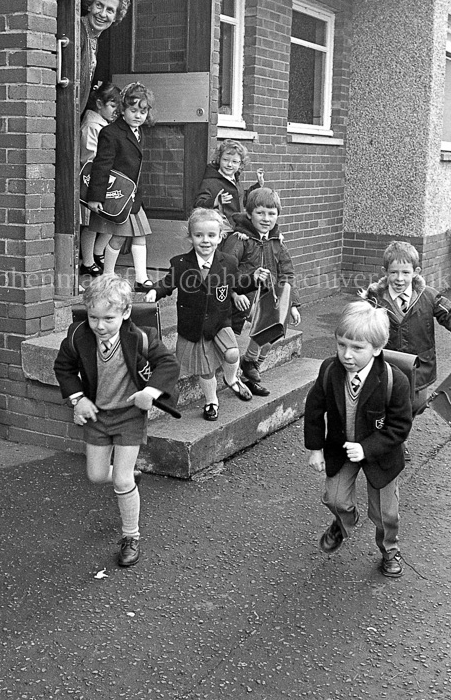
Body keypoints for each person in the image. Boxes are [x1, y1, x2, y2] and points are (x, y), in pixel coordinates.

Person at [53, 275, 180, 568]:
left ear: (125, 313)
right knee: (97, 476)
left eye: (108, 318)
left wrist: (150, 391)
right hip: (97, 414)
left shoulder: (141, 336)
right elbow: (64, 367)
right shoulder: (78, 336)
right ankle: (131, 479)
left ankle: (131, 537)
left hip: (129, 416)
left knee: (119, 480)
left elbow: (168, 364)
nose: (100, 325)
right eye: (94, 317)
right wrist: (77, 399)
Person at [304, 300, 412, 578]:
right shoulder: (329, 371)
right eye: (341, 345)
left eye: (357, 348)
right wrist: (316, 448)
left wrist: (366, 448)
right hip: (342, 448)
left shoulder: (393, 380)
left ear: (377, 348)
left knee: (386, 514)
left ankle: (389, 549)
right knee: (334, 498)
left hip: (381, 455)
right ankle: (344, 522)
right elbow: (314, 410)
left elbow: (400, 427)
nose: (346, 355)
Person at [145, 207, 263, 421]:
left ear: (220, 237)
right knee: (206, 370)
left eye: (211, 235)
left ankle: (232, 379)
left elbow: (238, 282)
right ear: (190, 237)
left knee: (232, 353)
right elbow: (167, 282)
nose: (205, 240)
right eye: (199, 235)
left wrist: (254, 279)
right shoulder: (180, 263)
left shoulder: (228, 262)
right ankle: (211, 402)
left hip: (219, 321)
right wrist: (155, 290)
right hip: (194, 325)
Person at [359, 240, 451, 458]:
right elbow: (360, 325)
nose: (399, 279)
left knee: (416, 404)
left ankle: (397, 433)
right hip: (388, 364)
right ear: (385, 272)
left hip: (420, 365)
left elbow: (449, 314)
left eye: (405, 272)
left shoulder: (428, 296)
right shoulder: (375, 298)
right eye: (393, 272)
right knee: (389, 404)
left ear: (416, 272)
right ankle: (395, 441)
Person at [221, 187, 301, 396]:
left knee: (275, 332)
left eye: (271, 213)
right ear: (249, 214)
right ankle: (249, 364)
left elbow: (287, 273)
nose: (266, 219)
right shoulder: (239, 239)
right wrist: (234, 294)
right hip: (243, 296)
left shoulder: (276, 241)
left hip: (269, 296)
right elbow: (223, 271)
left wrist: (292, 304)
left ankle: (251, 370)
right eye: (260, 213)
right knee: (265, 325)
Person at [87, 82, 155, 291]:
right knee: (118, 236)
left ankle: (141, 279)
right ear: (122, 109)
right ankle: (108, 275)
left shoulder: (138, 132)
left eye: (142, 112)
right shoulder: (111, 132)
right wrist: (95, 197)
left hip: (132, 196)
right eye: (133, 110)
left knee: (140, 234)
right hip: (117, 195)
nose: (138, 116)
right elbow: (102, 165)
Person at [79, 82, 121, 277]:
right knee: (91, 223)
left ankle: (98, 253)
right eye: (112, 106)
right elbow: (89, 157)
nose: (116, 112)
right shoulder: (92, 126)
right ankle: (87, 261)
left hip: (108, 179)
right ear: (99, 103)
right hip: (94, 179)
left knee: (112, 218)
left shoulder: (106, 126)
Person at [79, 0, 130, 117]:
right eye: (99, 5)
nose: (102, 14)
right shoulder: (78, 32)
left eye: (110, 10)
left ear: (115, 17)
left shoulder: (93, 38)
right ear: (89, 5)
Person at [193, 140, 264, 238]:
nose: (229, 164)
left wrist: (258, 185)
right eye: (225, 160)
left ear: (241, 164)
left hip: (238, 231)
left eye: (234, 161)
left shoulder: (235, 180)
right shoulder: (211, 181)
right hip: (221, 234)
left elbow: (242, 199)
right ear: (219, 159)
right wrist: (215, 201)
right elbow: (198, 204)